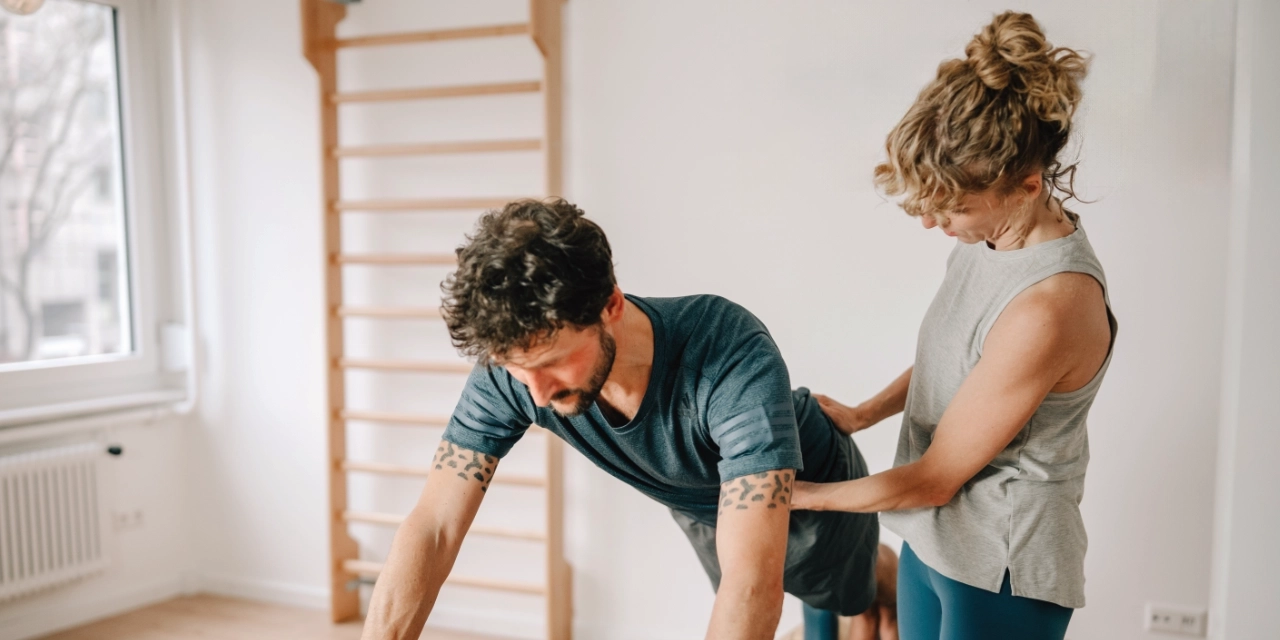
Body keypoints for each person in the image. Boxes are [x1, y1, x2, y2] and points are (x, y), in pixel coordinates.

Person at [360, 198, 880, 640]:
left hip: (815, 488)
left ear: (610, 305)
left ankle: (884, 576)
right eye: (516, 370)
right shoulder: (514, 372)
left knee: (853, 598)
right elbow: (434, 528)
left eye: (552, 362)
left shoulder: (727, 349)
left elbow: (751, 582)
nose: (536, 394)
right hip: (699, 500)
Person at [791, 11, 1116, 640]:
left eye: (954, 208)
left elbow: (935, 477)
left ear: (1026, 186)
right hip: (934, 537)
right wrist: (864, 413)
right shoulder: (990, 239)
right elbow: (965, 361)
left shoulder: (1051, 306)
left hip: (1002, 564)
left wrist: (800, 498)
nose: (931, 222)